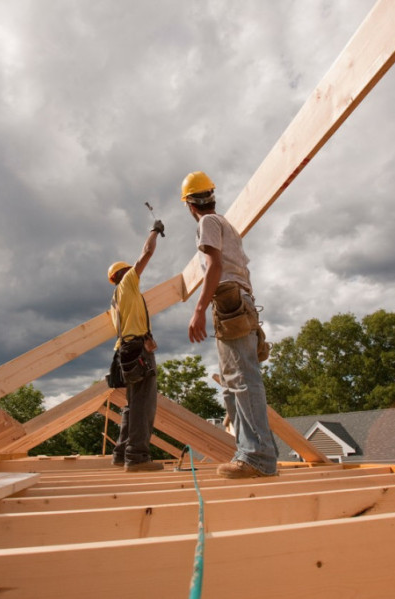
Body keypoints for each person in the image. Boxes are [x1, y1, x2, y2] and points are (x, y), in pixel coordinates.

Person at [181, 171, 278, 478]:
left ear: (189, 205)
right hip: (236, 302)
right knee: (231, 384)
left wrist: (198, 310)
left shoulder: (207, 223)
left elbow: (215, 266)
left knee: (242, 379)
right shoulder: (225, 224)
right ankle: (248, 452)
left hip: (229, 301)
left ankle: (258, 457)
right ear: (211, 196)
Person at [107, 219, 165, 472]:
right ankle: (137, 457)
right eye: (131, 271)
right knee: (144, 404)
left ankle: (122, 453)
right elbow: (147, 253)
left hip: (125, 352)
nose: (136, 274)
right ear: (124, 274)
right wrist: (155, 231)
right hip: (137, 352)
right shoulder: (128, 283)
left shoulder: (114, 302)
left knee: (133, 404)